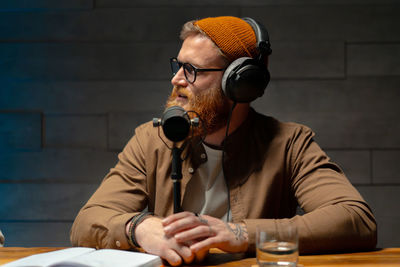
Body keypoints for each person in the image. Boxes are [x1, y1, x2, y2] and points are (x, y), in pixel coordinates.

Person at [70, 16, 377, 266]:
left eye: (191, 70)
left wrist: (241, 233)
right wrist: (138, 229)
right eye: (177, 66)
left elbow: (355, 219)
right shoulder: (150, 139)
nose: (176, 79)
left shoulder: (290, 143)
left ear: (239, 83)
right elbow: (86, 222)